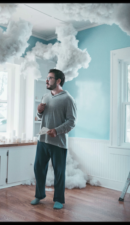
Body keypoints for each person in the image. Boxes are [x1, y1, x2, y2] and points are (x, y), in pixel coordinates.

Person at [31, 69, 77, 209]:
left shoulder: (68, 99)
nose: (46, 80)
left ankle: (58, 199)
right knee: (38, 168)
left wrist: (56, 131)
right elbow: (40, 118)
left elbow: (71, 122)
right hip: (43, 141)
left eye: (50, 78)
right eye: (47, 78)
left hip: (58, 143)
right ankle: (39, 195)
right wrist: (39, 112)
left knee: (59, 172)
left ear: (58, 81)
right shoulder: (45, 96)